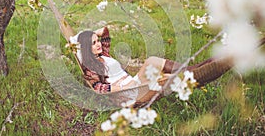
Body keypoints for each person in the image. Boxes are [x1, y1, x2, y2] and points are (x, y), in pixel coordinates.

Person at [74, 26, 233, 94]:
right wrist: (124, 87)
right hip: (130, 90)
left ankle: (199, 69)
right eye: (93, 43)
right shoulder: (90, 67)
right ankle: (195, 70)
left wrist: (90, 34)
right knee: (151, 62)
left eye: (97, 41)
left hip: (135, 82)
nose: (98, 45)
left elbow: (105, 32)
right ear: (87, 47)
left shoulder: (104, 55)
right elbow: (98, 88)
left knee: (176, 76)